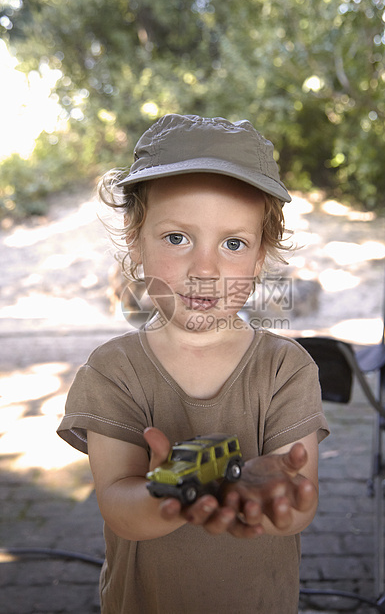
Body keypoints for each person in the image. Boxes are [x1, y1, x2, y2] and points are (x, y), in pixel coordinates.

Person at [57, 114, 329, 614]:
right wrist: (172, 492)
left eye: (233, 244)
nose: (205, 269)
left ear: (261, 257)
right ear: (136, 241)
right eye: (177, 238)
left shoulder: (286, 369)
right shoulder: (112, 371)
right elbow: (118, 507)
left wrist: (281, 501)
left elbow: (292, 504)